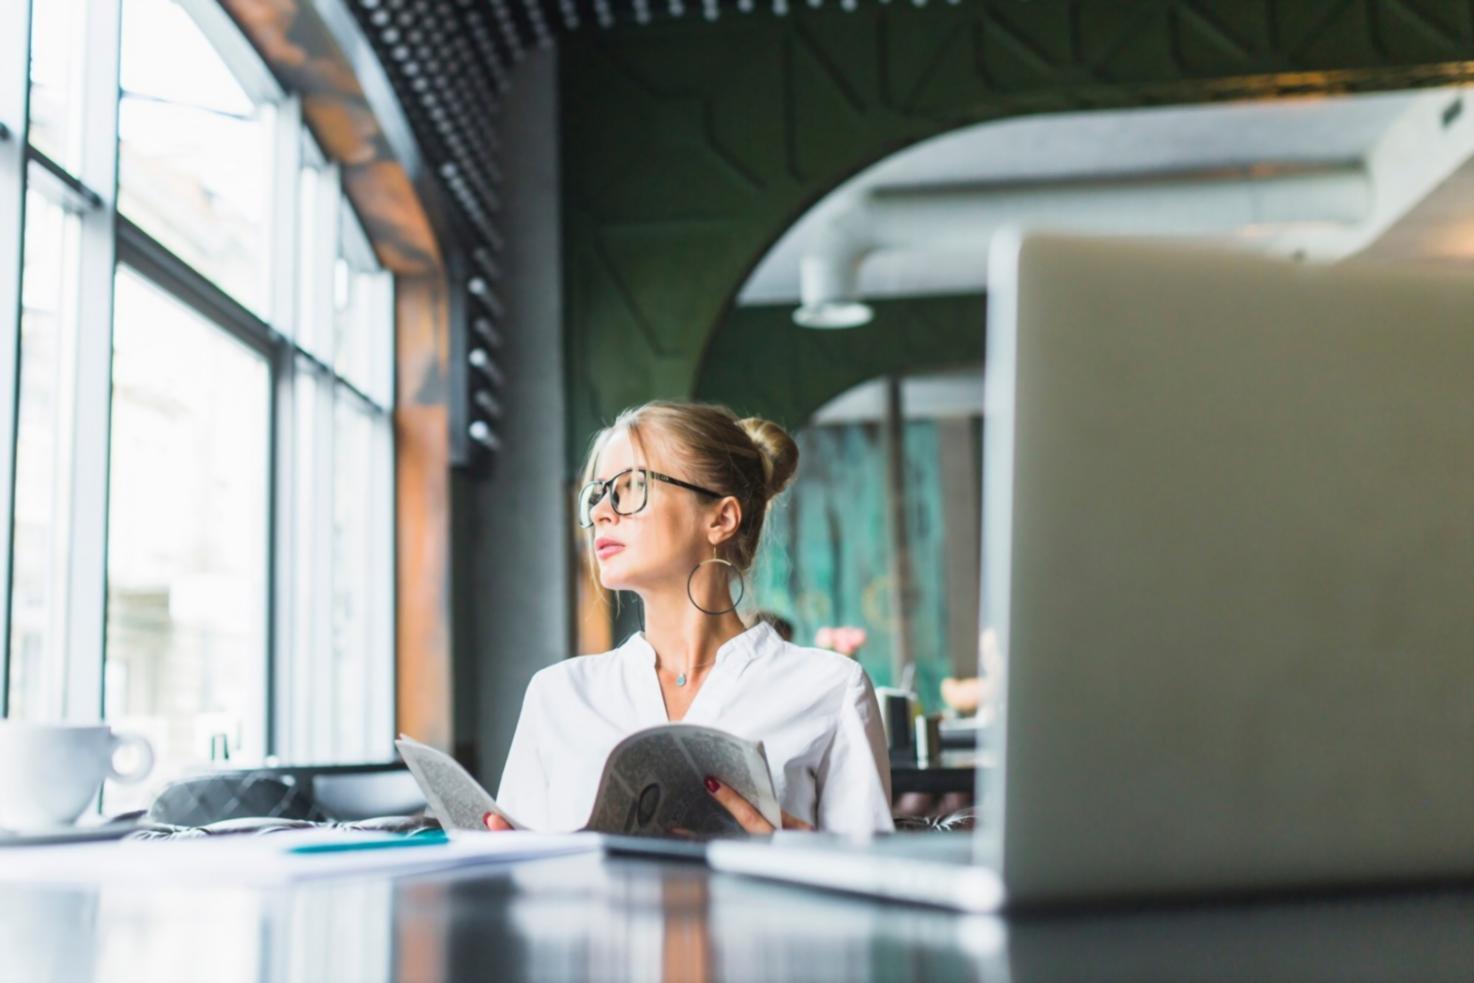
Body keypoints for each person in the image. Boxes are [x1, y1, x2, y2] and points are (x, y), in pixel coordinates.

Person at [487, 401, 893, 835]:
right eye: (598, 494)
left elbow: (879, 892)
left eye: (631, 487)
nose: (602, 513)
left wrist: (801, 857)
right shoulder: (557, 695)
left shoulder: (831, 689)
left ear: (721, 518)